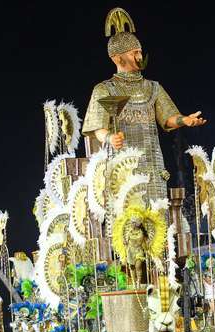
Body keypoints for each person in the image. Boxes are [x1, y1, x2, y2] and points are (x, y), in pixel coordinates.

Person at [82, 7, 207, 203]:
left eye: (139, 52)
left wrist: (185, 120)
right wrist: (110, 137)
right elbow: (98, 128)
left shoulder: (153, 87)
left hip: (153, 165)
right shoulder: (105, 89)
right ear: (117, 58)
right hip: (122, 167)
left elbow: (167, 118)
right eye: (133, 53)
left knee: (158, 219)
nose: (139, 57)